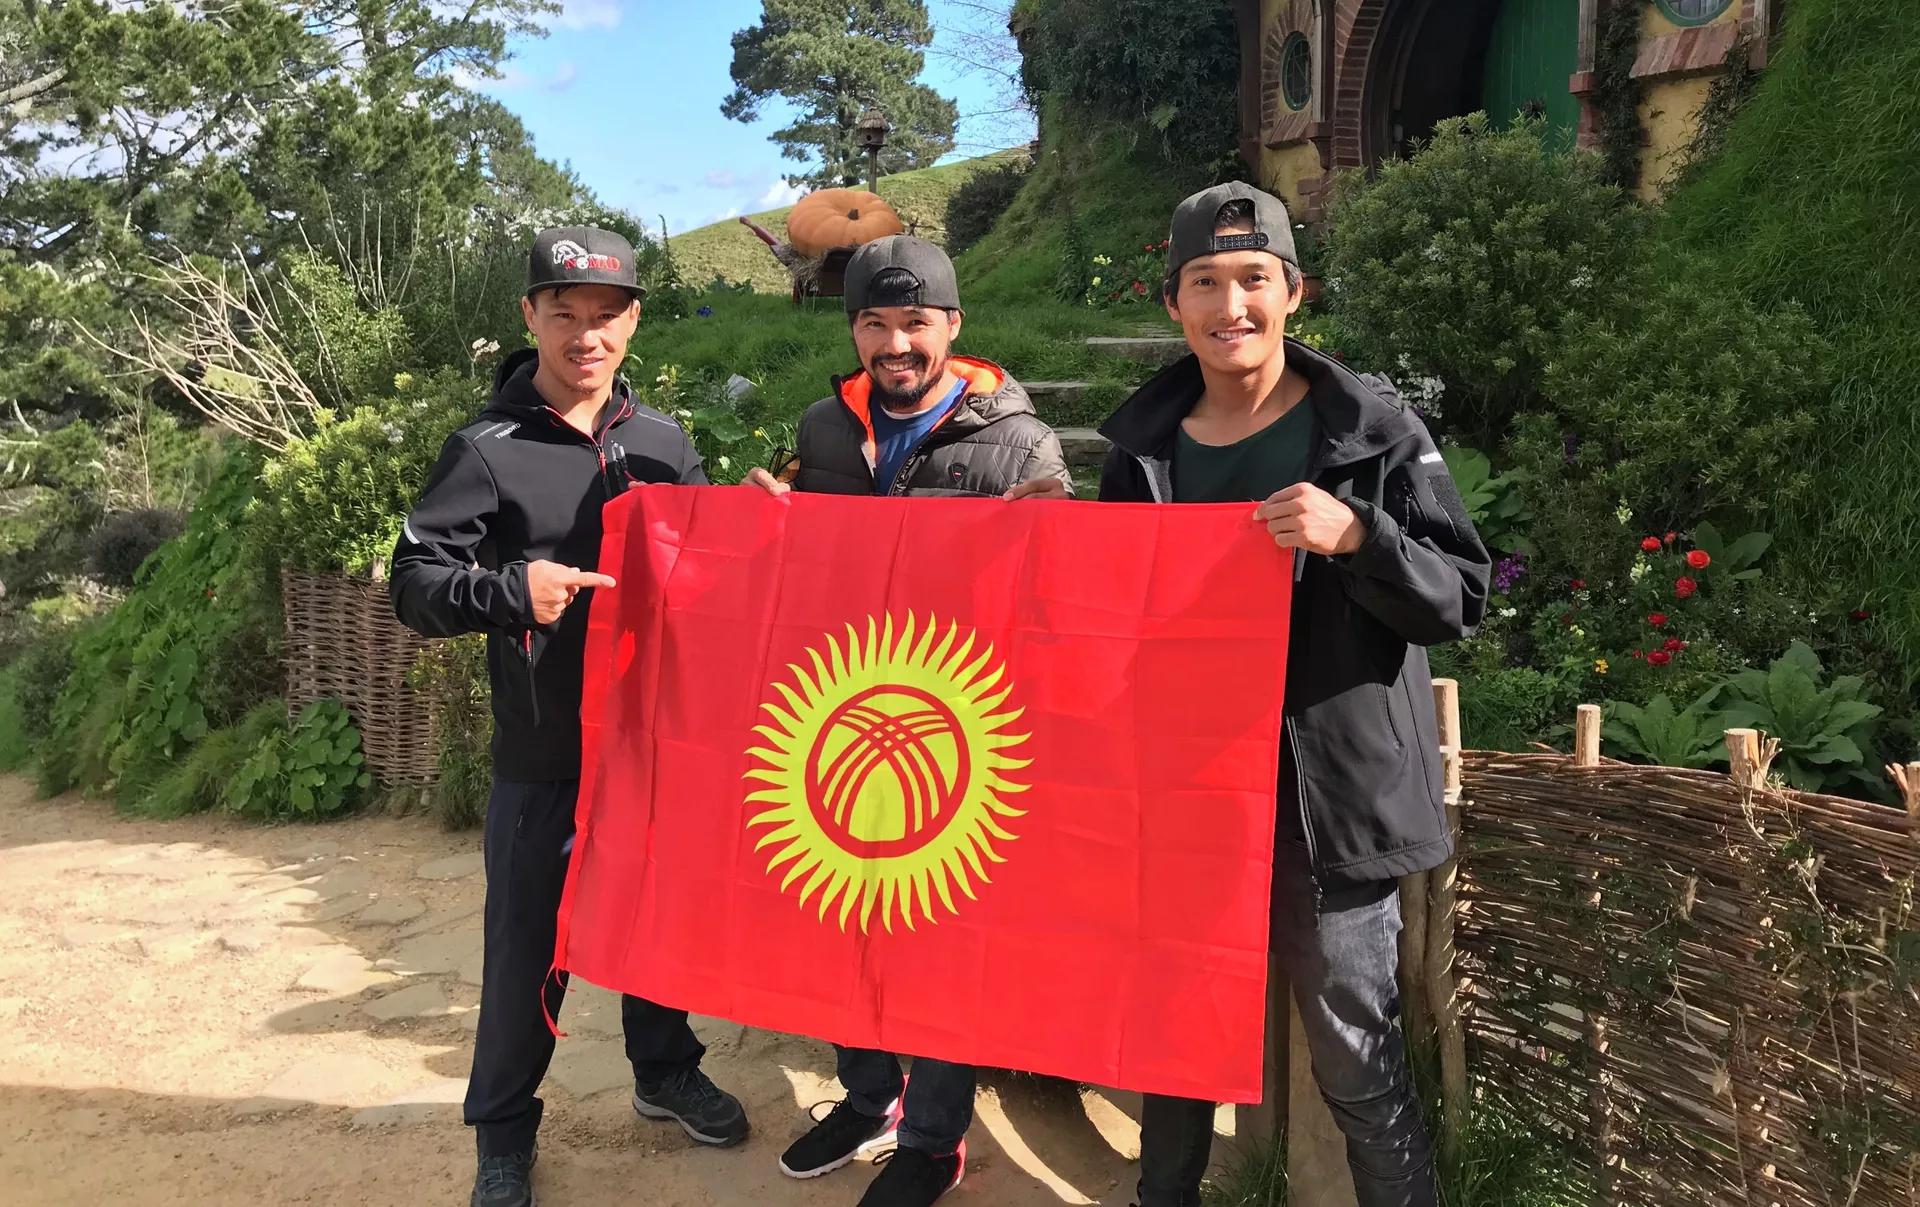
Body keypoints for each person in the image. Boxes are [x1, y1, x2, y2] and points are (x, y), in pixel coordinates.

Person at [1016, 183, 1489, 1207]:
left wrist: (1361, 538)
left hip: (1330, 806)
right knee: (1173, 1046)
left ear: (1293, 292)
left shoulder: (1372, 429)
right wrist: (1059, 546)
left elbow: (1460, 596)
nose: (1231, 305)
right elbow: (1117, 620)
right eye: (1205, 282)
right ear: (1174, 303)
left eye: (1253, 279)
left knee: (1358, 1061)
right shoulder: (1146, 449)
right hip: (1183, 799)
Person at [391, 226, 751, 1207]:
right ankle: (503, 1136)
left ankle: (664, 1070)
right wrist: (511, 590)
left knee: (657, 919)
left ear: (633, 320)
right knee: (525, 950)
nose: (585, 335)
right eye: (565, 314)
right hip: (545, 749)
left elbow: (710, 570)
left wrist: (763, 524)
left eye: (605, 315)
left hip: (656, 741)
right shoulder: (486, 448)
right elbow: (413, 582)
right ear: (531, 316)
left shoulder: (665, 441)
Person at [744, 234, 1072, 1207]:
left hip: (956, 735)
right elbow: (804, 567)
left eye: (915, 322)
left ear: (952, 324)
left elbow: (1060, 601)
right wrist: (767, 522)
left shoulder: (1019, 441)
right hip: (842, 718)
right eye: (875, 324)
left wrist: (1060, 533)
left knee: (940, 937)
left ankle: (933, 1140)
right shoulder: (825, 429)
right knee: (839, 918)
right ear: (853, 329)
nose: (895, 344)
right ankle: (868, 1094)